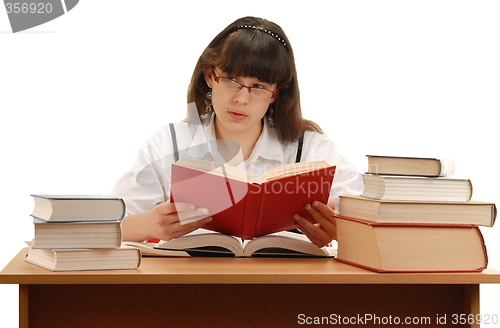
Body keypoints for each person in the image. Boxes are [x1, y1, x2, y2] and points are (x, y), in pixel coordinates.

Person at [109, 16, 363, 247]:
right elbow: (103, 227)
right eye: (231, 79)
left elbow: (373, 224)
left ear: (277, 94)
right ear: (210, 76)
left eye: (259, 86)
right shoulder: (167, 143)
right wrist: (148, 224)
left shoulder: (310, 149)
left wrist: (338, 231)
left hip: (284, 290)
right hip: (187, 290)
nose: (242, 99)